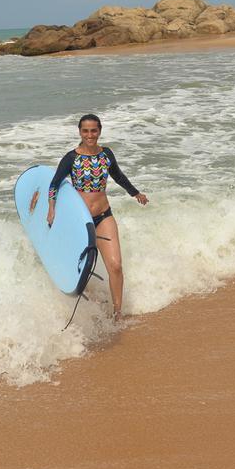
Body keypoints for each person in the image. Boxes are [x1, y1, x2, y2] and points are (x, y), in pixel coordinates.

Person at [46, 114, 148, 322]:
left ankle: (117, 312)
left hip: (104, 216)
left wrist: (135, 193)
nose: (90, 135)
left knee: (116, 266)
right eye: (85, 131)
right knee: (80, 270)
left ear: (99, 131)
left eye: (94, 130)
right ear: (80, 132)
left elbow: (118, 176)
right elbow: (54, 184)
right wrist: (51, 208)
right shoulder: (71, 158)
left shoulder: (106, 154)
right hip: (80, 222)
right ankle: (90, 305)